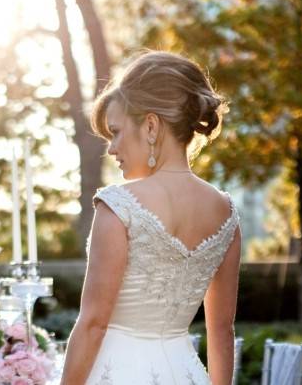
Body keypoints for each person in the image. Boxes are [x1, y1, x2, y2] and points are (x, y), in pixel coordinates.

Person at [59, 51, 242, 385]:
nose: (111, 148)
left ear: (152, 126)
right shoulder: (226, 213)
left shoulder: (118, 205)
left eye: (115, 131)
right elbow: (221, 329)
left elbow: (93, 323)